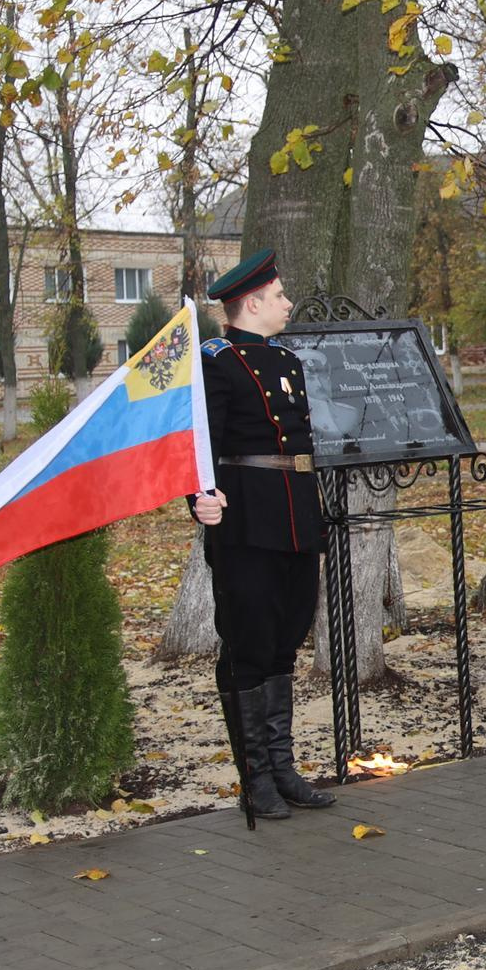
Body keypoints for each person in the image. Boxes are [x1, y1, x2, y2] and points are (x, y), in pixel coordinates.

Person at [189, 251, 335, 823]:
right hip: (246, 520)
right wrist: (200, 497)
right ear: (251, 303)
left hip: (296, 515)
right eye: (279, 296)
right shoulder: (215, 361)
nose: (287, 303)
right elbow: (202, 442)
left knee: (285, 640)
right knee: (248, 646)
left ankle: (282, 766)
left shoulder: (285, 359)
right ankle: (256, 778)